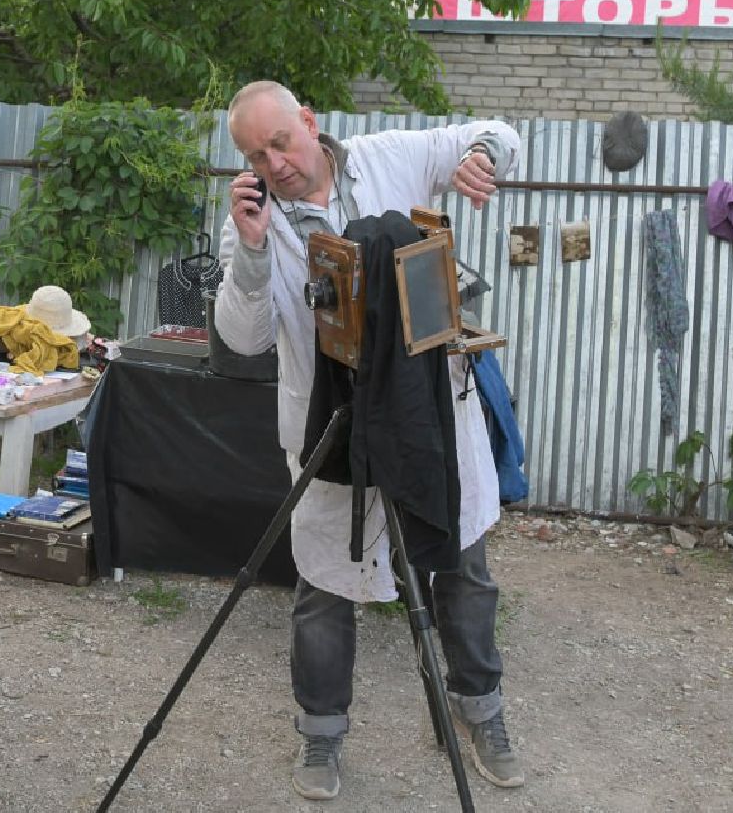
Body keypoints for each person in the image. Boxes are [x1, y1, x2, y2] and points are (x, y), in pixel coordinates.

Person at [211, 80, 523, 802]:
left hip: (426, 413)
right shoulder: (252, 222)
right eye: (256, 154)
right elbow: (242, 339)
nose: (275, 163)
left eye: (280, 142)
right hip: (330, 422)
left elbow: (499, 130)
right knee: (324, 591)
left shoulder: (392, 156)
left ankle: (480, 713)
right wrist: (253, 254)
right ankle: (320, 735)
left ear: (309, 124)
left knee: (463, 568)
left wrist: (481, 155)